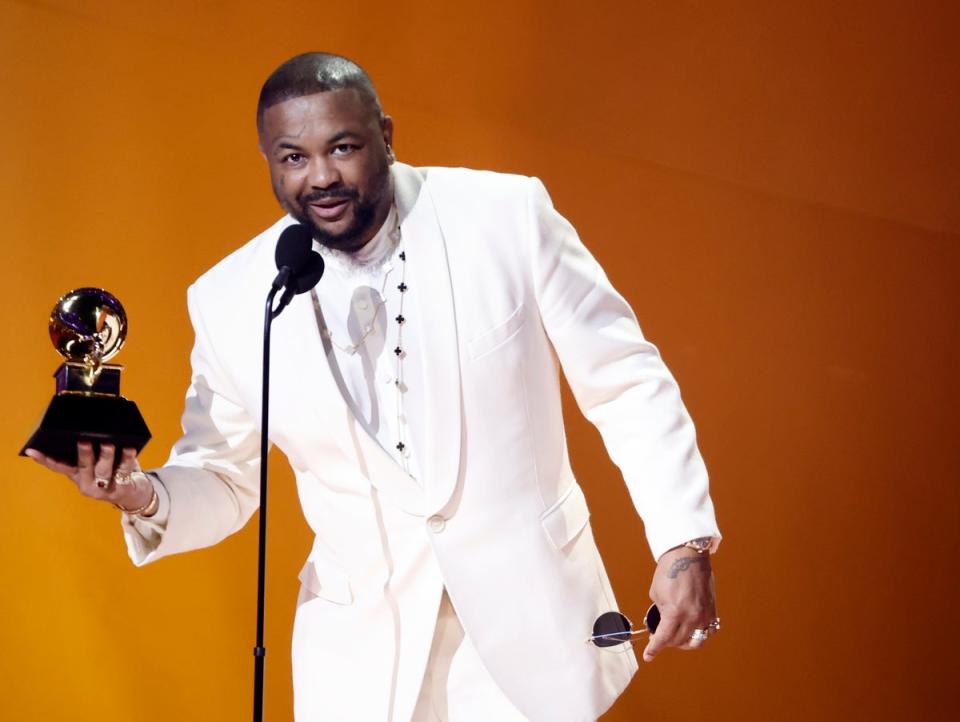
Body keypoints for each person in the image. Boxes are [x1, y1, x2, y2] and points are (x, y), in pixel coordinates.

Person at [26, 52, 721, 721]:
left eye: (343, 147)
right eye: (293, 158)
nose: (321, 176)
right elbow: (225, 479)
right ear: (269, 160)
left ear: (385, 136)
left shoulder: (505, 216)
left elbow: (626, 381)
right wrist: (143, 493)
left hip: (534, 637)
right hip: (360, 667)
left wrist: (682, 542)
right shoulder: (232, 299)